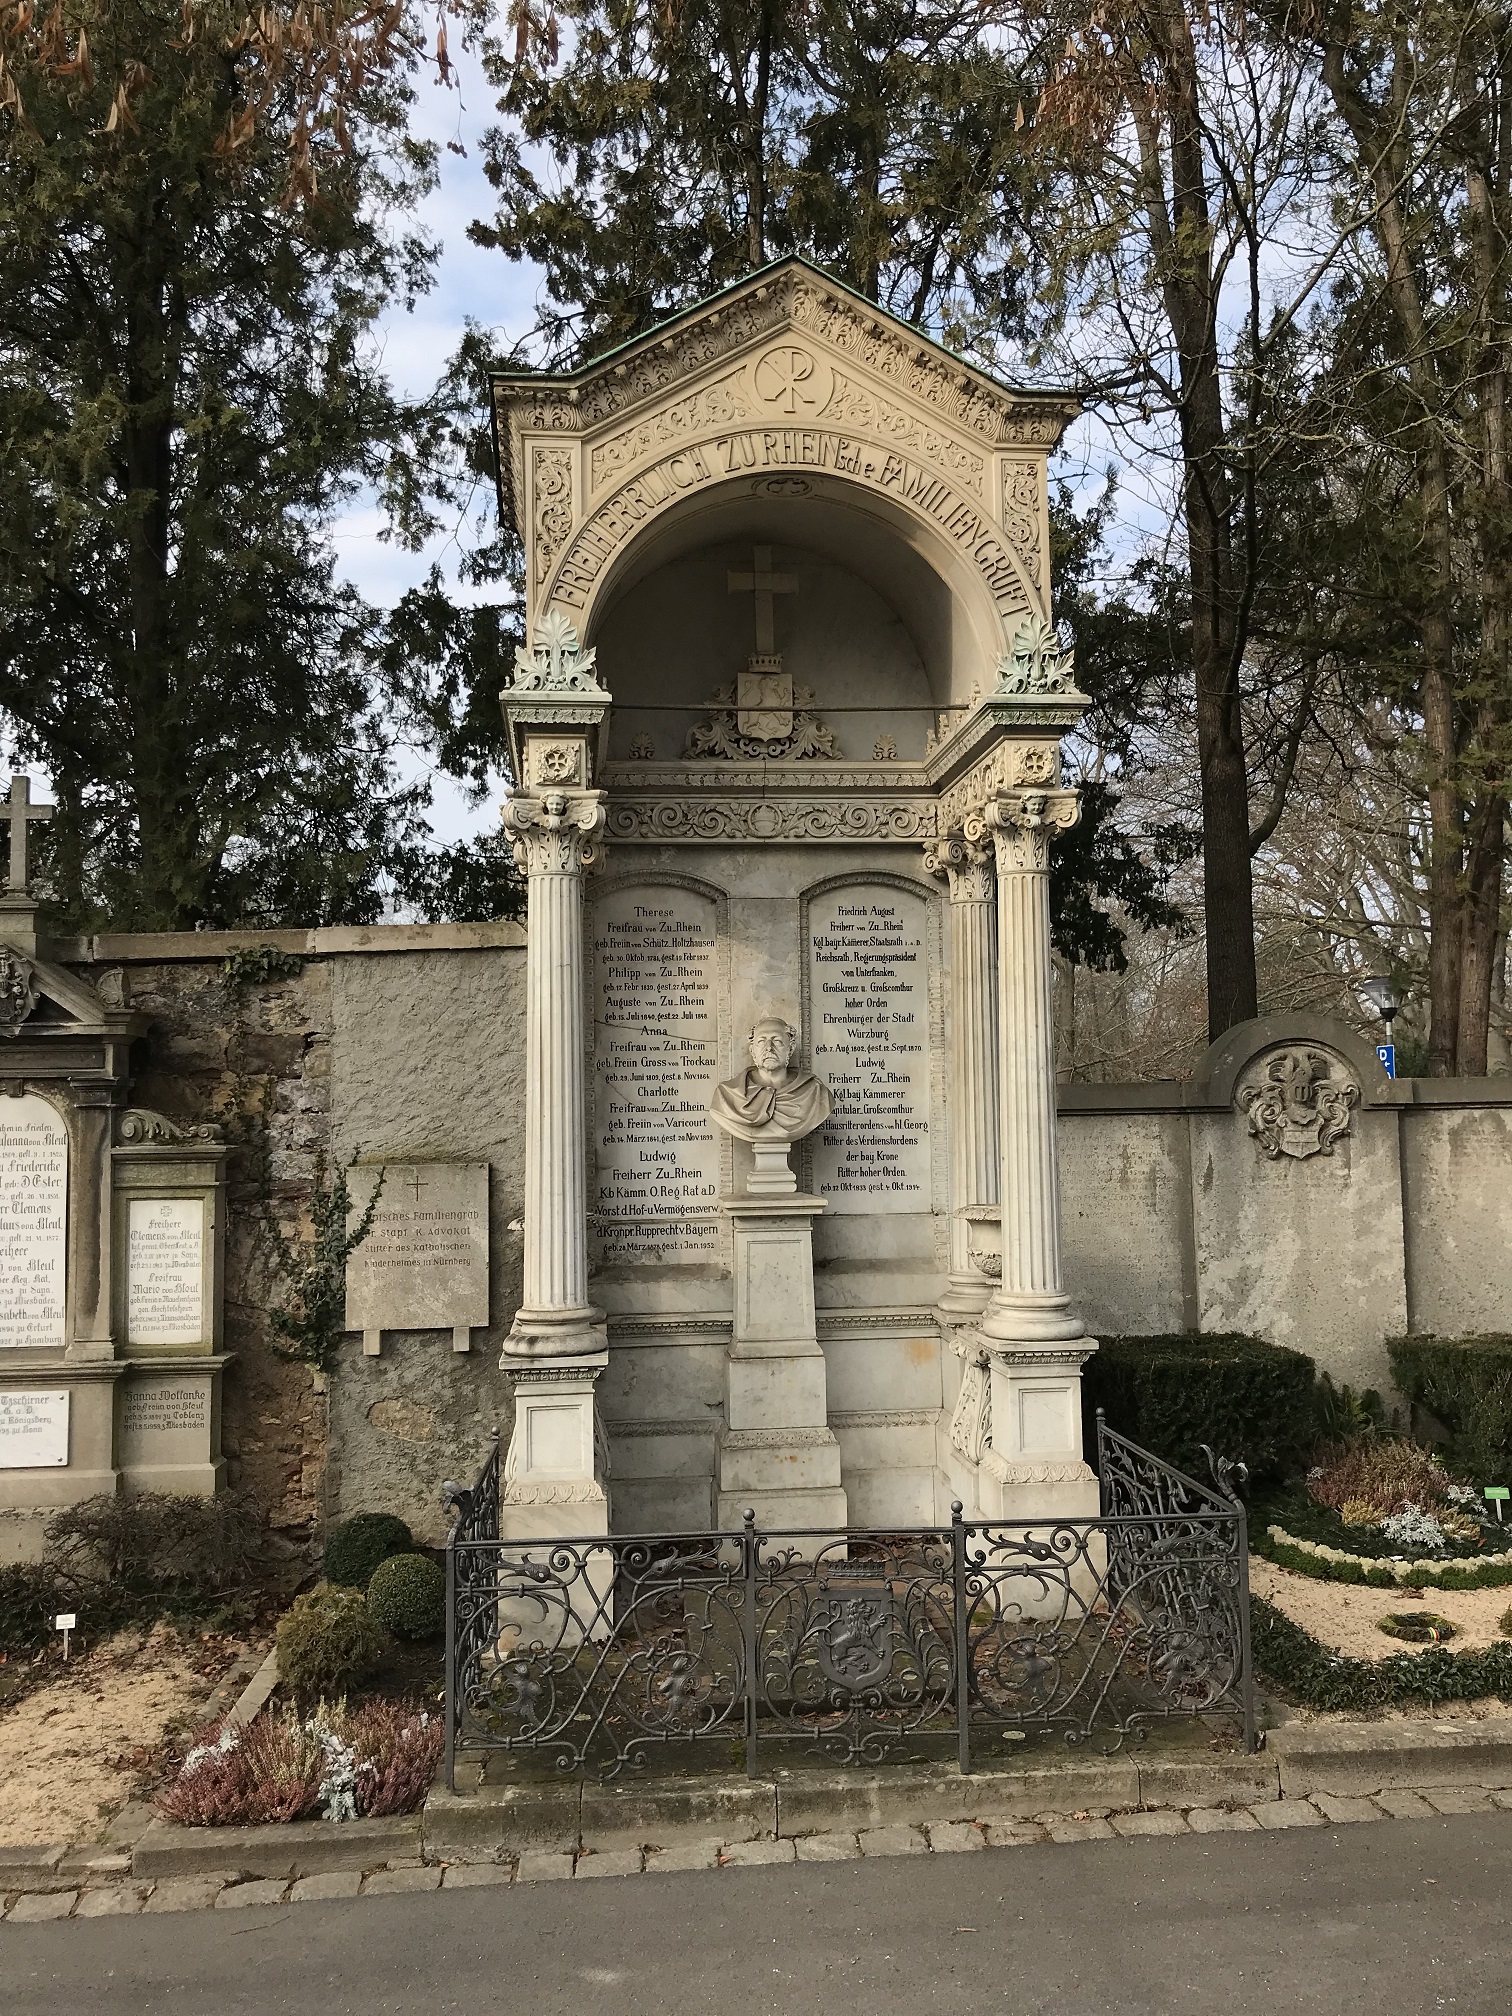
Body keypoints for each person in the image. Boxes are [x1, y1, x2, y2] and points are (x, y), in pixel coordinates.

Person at [707, 1016, 832, 1143]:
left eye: (777, 1041)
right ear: (752, 1050)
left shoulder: (813, 1091)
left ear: (791, 1048)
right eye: (761, 1041)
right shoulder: (727, 1095)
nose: (769, 1048)